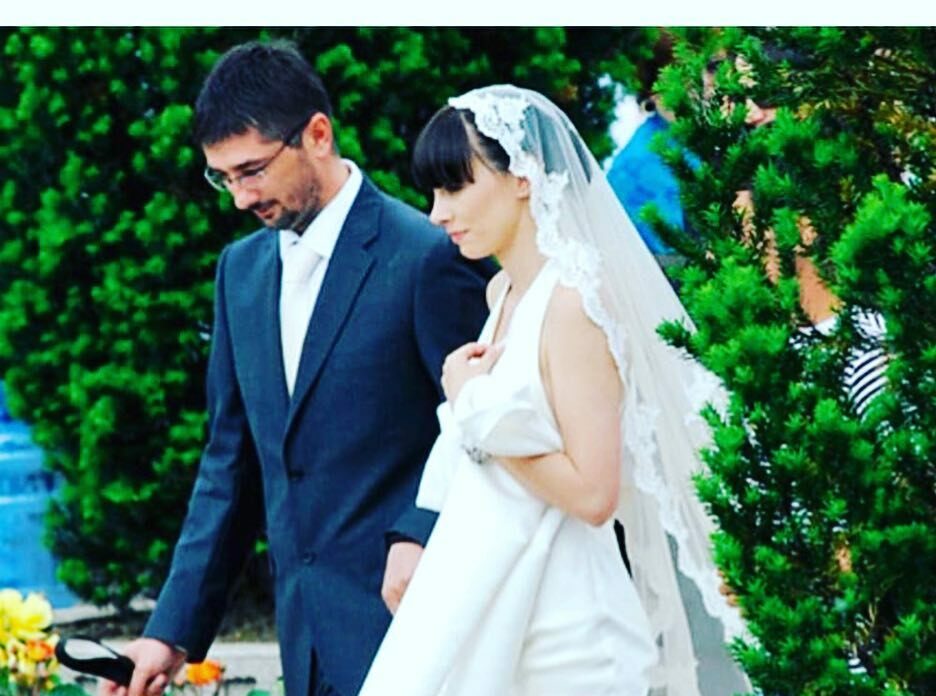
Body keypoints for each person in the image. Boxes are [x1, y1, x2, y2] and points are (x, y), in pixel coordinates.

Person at [101, 41, 493, 696]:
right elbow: (230, 464)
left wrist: (418, 534)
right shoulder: (239, 273)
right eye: (223, 178)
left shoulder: (428, 258)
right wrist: (171, 632)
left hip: (420, 634)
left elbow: (485, 430)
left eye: (251, 170)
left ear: (317, 134)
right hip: (304, 646)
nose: (239, 197)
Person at [358, 85, 748, 695]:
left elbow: (593, 492)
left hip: (570, 633)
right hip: (500, 601)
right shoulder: (500, 294)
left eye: (455, 187)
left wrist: (473, 406)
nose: (436, 213)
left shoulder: (573, 303)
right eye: (433, 192)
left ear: (523, 176)